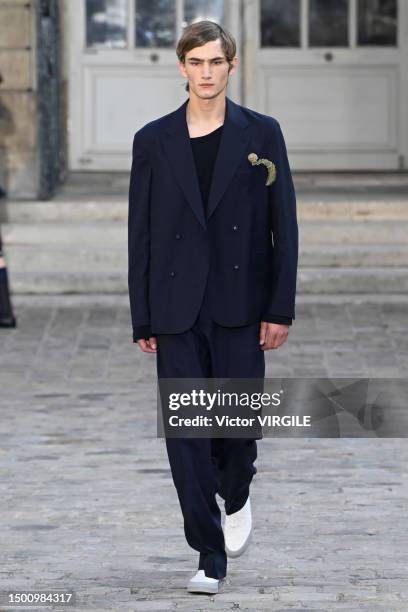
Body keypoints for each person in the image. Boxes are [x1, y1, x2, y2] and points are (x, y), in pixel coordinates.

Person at [128, 20, 298, 595]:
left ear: (232, 66)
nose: (205, 72)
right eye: (195, 62)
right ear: (181, 67)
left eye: (215, 62)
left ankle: (240, 491)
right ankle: (207, 551)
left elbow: (285, 228)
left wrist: (280, 308)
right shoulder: (152, 141)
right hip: (176, 305)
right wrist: (143, 315)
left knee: (236, 427)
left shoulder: (263, 134)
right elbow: (141, 234)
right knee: (187, 433)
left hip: (241, 303)